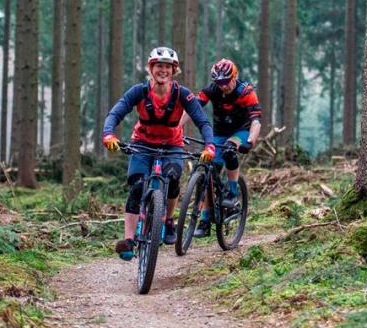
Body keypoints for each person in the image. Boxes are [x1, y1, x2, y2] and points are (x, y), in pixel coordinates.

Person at [102, 46, 215, 260]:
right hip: (142, 144)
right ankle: (128, 240)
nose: (163, 70)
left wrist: (209, 145)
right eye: (159, 66)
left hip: (172, 145)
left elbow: (202, 121)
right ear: (151, 69)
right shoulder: (139, 91)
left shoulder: (183, 95)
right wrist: (108, 134)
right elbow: (116, 112)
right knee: (136, 187)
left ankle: (169, 220)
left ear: (174, 71)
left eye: (167, 67)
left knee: (172, 180)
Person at [193, 58, 261, 238]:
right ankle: (205, 220)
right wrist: (177, 127)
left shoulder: (246, 91)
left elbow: (256, 122)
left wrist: (251, 141)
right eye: (219, 82)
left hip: (241, 131)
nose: (224, 86)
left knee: (230, 151)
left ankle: (232, 194)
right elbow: (192, 108)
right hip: (219, 133)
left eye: (227, 81)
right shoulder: (212, 90)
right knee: (209, 172)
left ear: (235, 76)